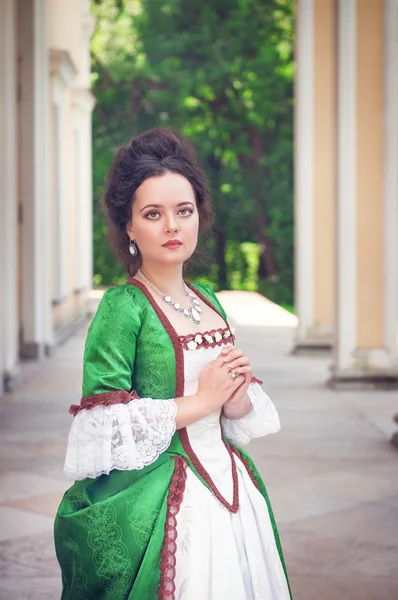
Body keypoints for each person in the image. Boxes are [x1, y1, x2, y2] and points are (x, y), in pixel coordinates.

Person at [54, 128, 292, 600]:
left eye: (183, 211)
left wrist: (236, 396)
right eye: (153, 214)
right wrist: (203, 399)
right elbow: (105, 423)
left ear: (198, 215)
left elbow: (232, 417)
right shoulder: (124, 307)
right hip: (161, 496)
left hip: (230, 486)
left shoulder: (208, 300)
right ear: (128, 226)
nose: (172, 226)